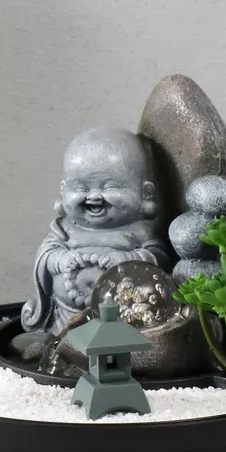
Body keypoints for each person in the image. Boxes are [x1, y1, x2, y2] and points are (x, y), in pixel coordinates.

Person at [21, 127, 169, 334]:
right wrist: (61, 259)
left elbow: (159, 260)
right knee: (56, 344)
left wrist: (128, 260)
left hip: (124, 320)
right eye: (81, 188)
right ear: (63, 190)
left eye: (109, 187)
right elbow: (45, 255)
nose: (94, 197)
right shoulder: (64, 229)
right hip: (65, 316)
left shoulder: (140, 231)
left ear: (145, 192)